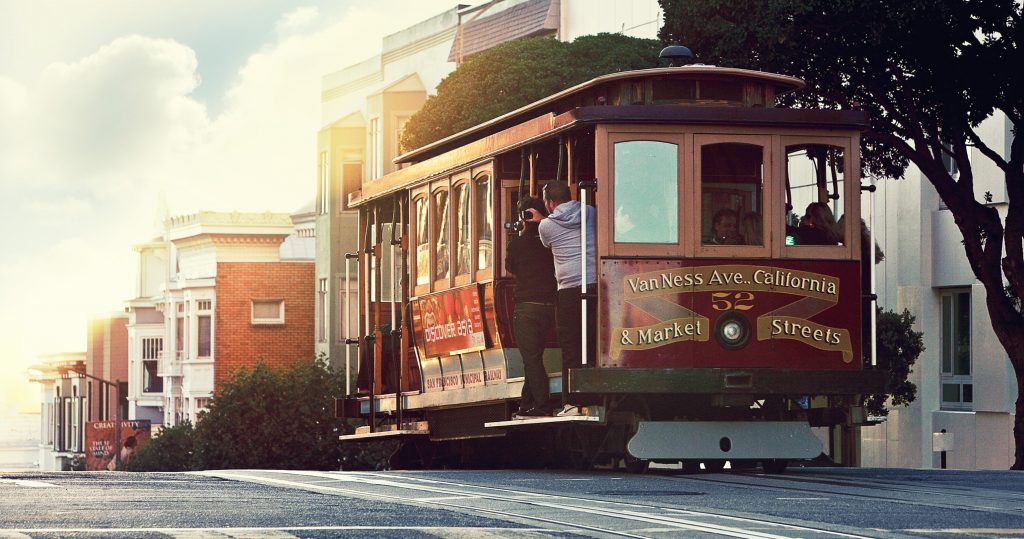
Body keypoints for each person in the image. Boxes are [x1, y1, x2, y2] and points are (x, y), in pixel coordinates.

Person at [525, 181, 596, 417]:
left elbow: (547, 239)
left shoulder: (546, 226)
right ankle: (598, 396)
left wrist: (540, 217)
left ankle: (572, 403)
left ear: (549, 202)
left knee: (570, 347)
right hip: (596, 285)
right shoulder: (590, 212)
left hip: (568, 290)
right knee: (595, 342)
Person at [505, 196, 557, 418]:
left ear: (523, 216)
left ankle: (542, 406)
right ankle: (526, 404)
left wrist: (523, 233)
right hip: (548, 308)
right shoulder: (550, 241)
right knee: (533, 356)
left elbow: (510, 269)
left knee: (532, 358)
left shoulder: (517, 244)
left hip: (526, 309)